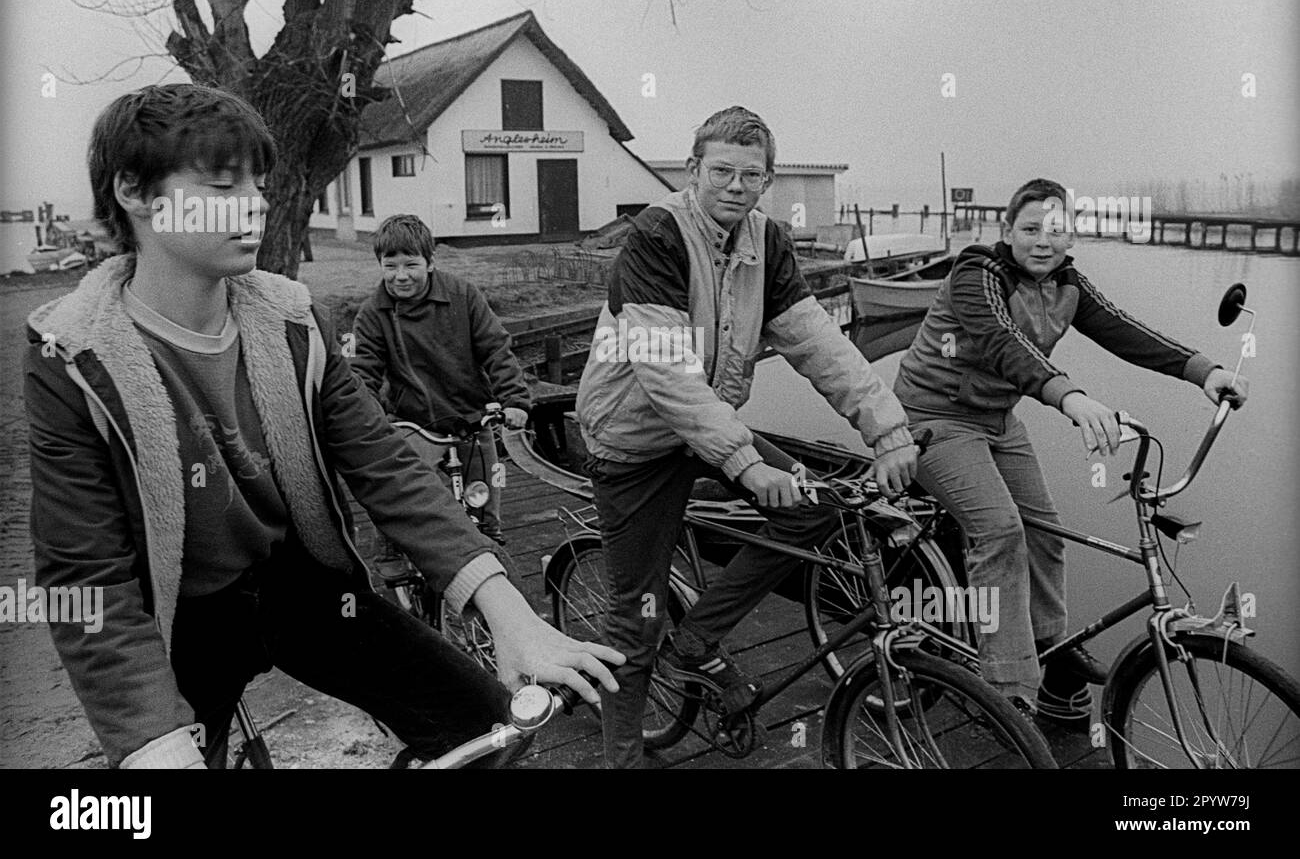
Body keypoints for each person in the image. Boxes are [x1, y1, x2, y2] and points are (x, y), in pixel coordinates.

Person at [24, 83, 621, 770]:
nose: (255, 202)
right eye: (223, 184)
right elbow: (85, 570)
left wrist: (509, 614)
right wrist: (149, 742)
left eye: (258, 182)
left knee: (484, 732)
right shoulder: (71, 353)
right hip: (181, 618)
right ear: (133, 191)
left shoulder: (293, 320)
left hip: (299, 587)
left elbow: (386, 467)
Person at [576, 106, 919, 767]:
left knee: (814, 510)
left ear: (767, 182)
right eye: (722, 171)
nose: (736, 186)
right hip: (635, 437)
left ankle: (698, 640)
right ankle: (621, 757)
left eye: (751, 175)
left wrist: (889, 428)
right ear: (694, 169)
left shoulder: (769, 243)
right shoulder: (656, 237)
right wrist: (743, 461)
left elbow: (817, 342)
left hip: (708, 427)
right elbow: (664, 370)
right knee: (637, 615)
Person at [892, 178, 1248, 726]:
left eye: (1055, 231)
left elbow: (1123, 330)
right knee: (999, 532)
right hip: (933, 417)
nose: (1042, 241)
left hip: (996, 418)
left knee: (1046, 534)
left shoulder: (1067, 283)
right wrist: (1072, 398)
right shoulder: (976, 274)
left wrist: (1205, 370)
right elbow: (1002, 343)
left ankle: (1053, 658)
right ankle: (1007, 692)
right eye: (1029, 229)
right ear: (1006, 231)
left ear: (1070, 236)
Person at [349, 213, 530, 546]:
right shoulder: (373, 313)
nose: (400, 276)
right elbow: (363, 373)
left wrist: (514, 399)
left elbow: (495, 349)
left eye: (411, 265)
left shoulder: (463, 296)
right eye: (390, 266)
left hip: (470, 420)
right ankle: (393, 559)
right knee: (403, 505)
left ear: (430, 263)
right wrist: (368, 420)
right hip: (416, 426)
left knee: (486, 516)